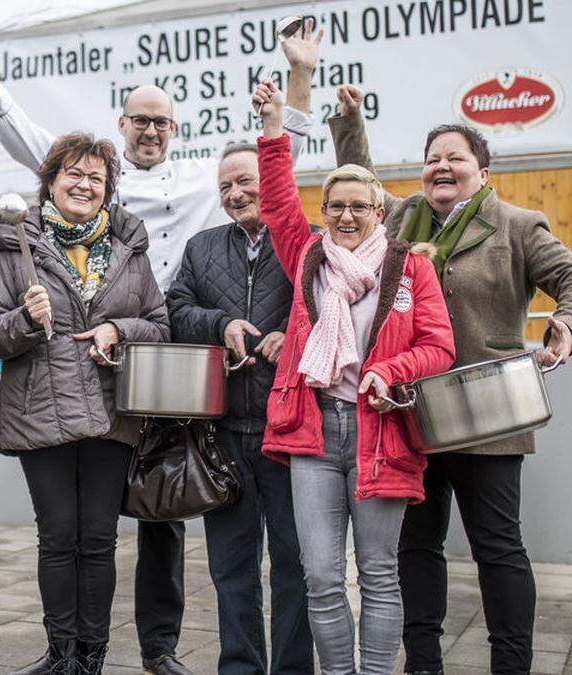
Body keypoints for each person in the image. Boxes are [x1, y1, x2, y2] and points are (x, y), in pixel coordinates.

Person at [0, 2, 322, 671]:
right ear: (120, 128)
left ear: (177, 131)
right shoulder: (97, 194)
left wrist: (298, 81)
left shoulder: (204, 183)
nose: (150, 130)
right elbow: (15, 130)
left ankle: (160, 647)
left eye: (162, 122)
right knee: (80, 529)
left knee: (168, 507)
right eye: (140, 120)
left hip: (176, 363)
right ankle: (73, 646)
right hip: (103, 371)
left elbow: (274, 165)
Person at [329, 85, 572, 675]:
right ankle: (424, 665)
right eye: (432, 157)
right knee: (415, 548)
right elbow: (357, 178)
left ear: (482, 173)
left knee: (498, 549)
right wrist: (352, 121)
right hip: (410, 414)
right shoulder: (398, 218)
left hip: (491, 414)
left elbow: (568, 277)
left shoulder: (518, 224)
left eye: (455, 157)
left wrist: (563, 320)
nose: (441, 165)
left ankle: (510, 665)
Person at [254, 79, 456, 674]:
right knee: (319, 575)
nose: (346, 215)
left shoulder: (410, 268)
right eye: (335, 206)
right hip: (313, 433)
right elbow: (276, 202)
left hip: (380, 433)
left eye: (358, 207)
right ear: (325, 213)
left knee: (378, 572)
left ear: (378, 213)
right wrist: (271, 129)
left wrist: (389, 371)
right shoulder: (308, 258)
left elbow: (438, 347)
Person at [0, 132, 170, 674]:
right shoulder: (16, 244)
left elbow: (159, 324)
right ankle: (60, 653)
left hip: (112, 411)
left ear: (108, 189)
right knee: (58, 538)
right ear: (51, 181)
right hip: (43, 409)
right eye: (74, 174)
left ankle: (91, 657)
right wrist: (24, 321)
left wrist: (116, 327)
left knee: (98, 540)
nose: (84, 185)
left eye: (96, 178)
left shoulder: (131, 247)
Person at [163, 141, 313, 675]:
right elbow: (177, 310)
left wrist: (288, 337)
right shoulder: (202, 247)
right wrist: (221, 324)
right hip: (222, 433)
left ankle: (294, 669)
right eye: (225, 186)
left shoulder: (306, 242)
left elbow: (331, 310)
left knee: (297, 566)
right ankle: (240, 669)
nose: (235, 194)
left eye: (246, 181)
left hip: (290, 434)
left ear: (270, 181)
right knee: (231, 567)